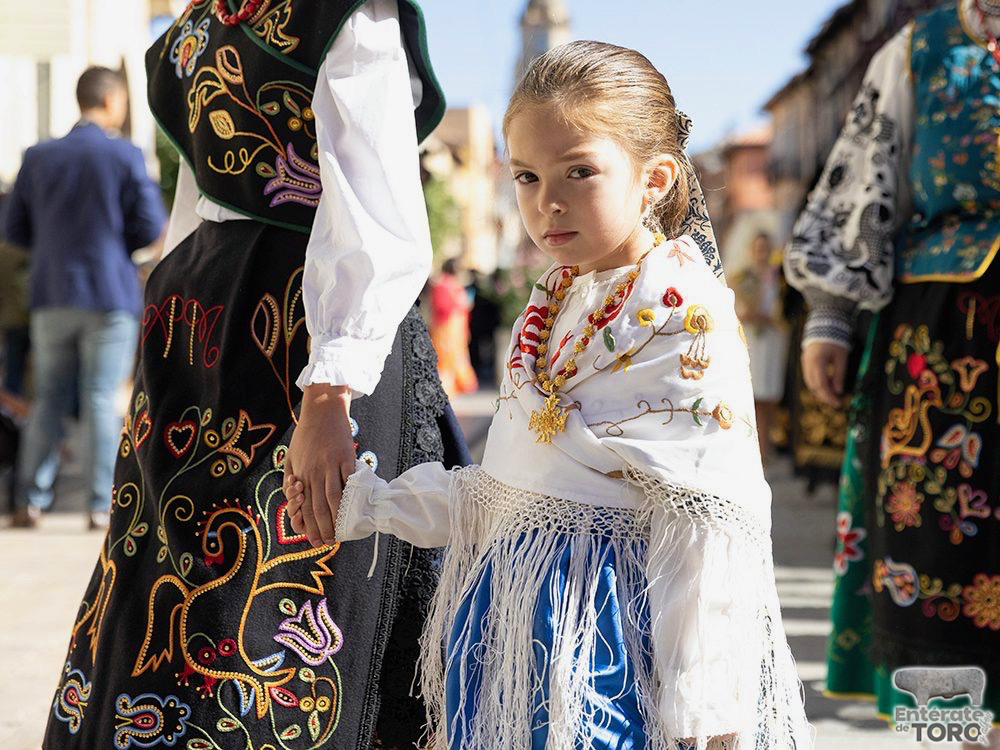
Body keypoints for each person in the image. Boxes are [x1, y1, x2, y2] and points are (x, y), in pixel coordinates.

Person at [286, 41, 811, 749]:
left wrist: (705, 719)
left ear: (654, 178)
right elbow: (506, 494)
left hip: (606, 653)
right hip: (508, 635)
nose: (547, 203)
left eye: (580, 172)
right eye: (528, 177)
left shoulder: (683, 314)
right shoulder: (556, 298)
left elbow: (703, 532)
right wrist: (373, 504)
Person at [40, 3, 468, 749]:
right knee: (256, 564)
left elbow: (202, 211)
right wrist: (331, 390)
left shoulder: (193, 33)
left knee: (221, 565)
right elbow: (375, 208)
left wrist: (327, 381)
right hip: (284, 317)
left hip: (215, 312)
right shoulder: (323, 12)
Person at [785, 0, 1000, 739]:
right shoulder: (919, 48)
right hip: (944, 341)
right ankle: (964, 728)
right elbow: (861, 187)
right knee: (942, 538)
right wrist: (830, 318)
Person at [3, 67, 166, 530]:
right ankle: (100, 504)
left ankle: (30, 499)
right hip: (109, 292)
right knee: (99, 397)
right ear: (113, 101)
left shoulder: (39, 156)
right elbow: (149, 226)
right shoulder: (125, 155)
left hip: (52, 292)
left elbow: (13, 228)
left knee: (48, 396)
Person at [732, 232, 789, 463]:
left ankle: (768, 445)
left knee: (769, 396)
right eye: (758, 248)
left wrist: (771, 318)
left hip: (772, 340)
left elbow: (782, 312)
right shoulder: (742, 278)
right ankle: (754, 448)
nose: (761, 253)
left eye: (765, 248)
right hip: (752, 341)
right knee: (752, 395)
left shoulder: (777, 279)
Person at [430, 257, 479, 397]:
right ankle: (449, 385)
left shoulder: (446, 284)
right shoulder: (444, 284)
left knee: (452, 355)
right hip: (448, 325)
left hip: (453, 325)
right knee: (448, 355)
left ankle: (453, 385)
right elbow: (443, 306)